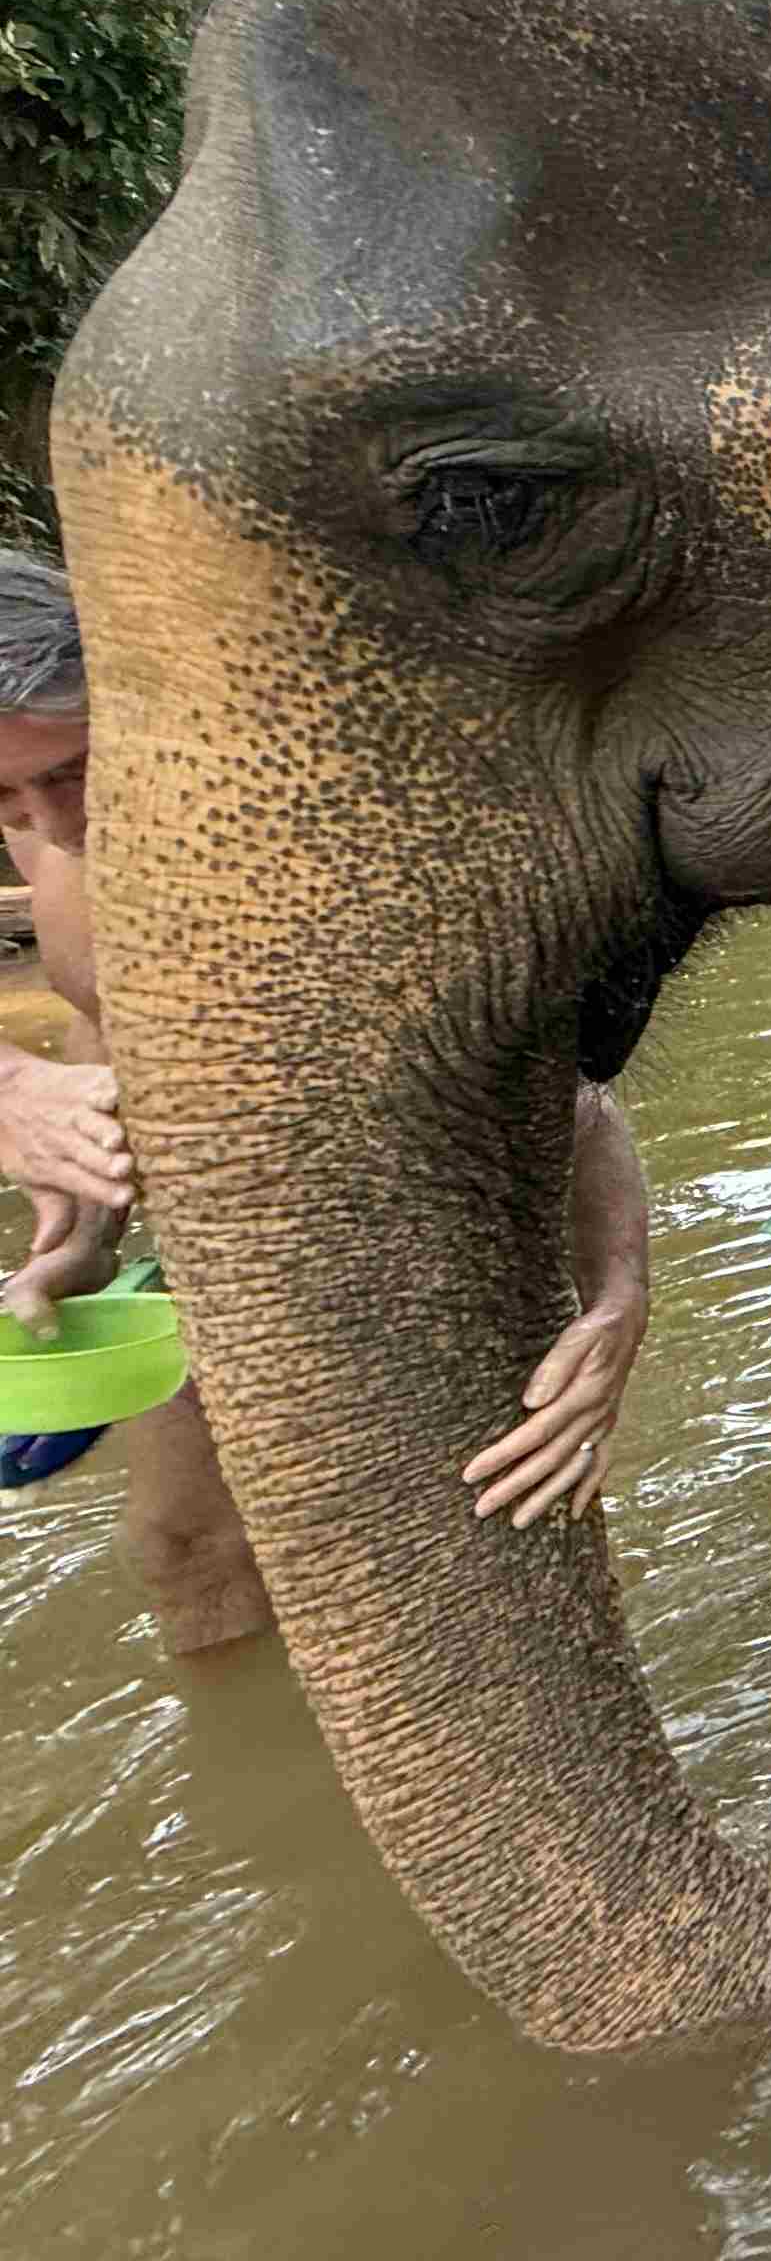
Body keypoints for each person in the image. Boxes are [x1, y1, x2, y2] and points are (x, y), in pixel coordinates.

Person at [0, 551, 648, 1654]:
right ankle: (256, 1807)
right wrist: (86, 1221)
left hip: (422, 1235)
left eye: (75, 772)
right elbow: (102, 1010)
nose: (49, 824)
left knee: (486, 1549)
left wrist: (618, 1302)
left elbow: (558, 1081)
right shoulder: (37, 818)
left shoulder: (323, 819)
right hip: (215, 1250)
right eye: (3, 797)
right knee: (181, 1549)